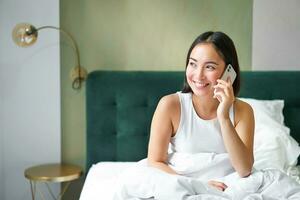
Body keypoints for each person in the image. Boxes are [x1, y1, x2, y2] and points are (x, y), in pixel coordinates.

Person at [147, 31, 255, 192]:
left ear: (229, 72)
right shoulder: (170, 105)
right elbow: (155, 162)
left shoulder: (243, 111)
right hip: (180, 183)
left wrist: (224, 116)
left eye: (209, 67)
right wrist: (198, 185)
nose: (198, 75)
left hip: (227, 187)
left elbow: (244, 169)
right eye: (193, 64)